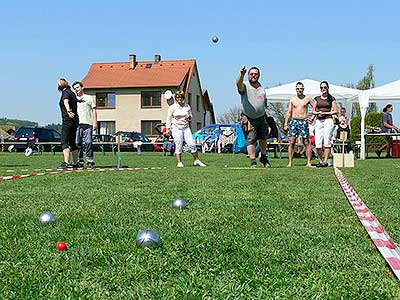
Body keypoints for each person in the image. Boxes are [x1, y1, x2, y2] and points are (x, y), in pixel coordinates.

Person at [236, 66, 271, 168]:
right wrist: (241, 74)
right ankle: (253, 161)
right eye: (251, 74)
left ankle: (264, 157)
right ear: (248, 75)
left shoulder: (261, 88)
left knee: (263, 138)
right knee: (251, 140)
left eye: (255, 74)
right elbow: (238, 84)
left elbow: (264, 103)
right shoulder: (245, 86)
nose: (253, 76)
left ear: (258, 75)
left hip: (261, 117)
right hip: (249, 118)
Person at [165, 90, 206, 168]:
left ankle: (197, 160)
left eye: (181, 97)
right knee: (179, 145)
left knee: (192, 144)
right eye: (177, 97)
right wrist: (168, 129)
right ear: (175, 98)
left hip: (186, 127)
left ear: (183, 98)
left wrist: (189, 117)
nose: (179, 99)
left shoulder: (187, 106)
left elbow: (190, 116)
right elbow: (169, 119)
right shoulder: (172, 107)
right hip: (176, 128)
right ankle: (179, 162)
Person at [283, 82, 313, 167]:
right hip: (294, 121)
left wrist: (311, 117)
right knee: (292, 141)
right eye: (298, 88)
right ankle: (290, 162)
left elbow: (316, 107)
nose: (299, 90)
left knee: (306, 142)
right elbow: (289, 112)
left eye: (301, 88)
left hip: (303, 121)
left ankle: (309, 162)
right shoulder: (293, 99)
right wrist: (286, 123)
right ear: (296, 89)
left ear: (303, 89)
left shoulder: (307, 98)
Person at [312, 81, 338, 167]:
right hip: (319, 121)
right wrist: (317, 114)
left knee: (327, 142)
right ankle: (320, 161)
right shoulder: (317, 98)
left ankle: (325, 161)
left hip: (328, 120)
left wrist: (325, 113)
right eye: (322, 87)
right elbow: (313, 111)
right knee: (318, 144)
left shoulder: (332, 98)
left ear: (328, 88)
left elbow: (335, 111)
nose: (323, 89)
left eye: (325, 87)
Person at [72, 81, 97, 168]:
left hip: (88, 123)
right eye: (75, 89)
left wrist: (95, 122)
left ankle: (90, 160)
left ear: (82, 87)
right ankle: (80, 160)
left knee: (88, 142)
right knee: (77, 143)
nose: (76, 90)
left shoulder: (89, 98)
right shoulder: (74, 99)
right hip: (77, 124)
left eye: (77, 87)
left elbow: (94, 110)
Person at [57, 78, 79, 169]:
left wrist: (68, 110)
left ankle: (66, 162)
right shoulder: (72, 93)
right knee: (72, 142)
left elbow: (66, 101)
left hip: (68, 119)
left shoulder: (65, 92)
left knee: (64, 141)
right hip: (75, 120)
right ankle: (76, 162)